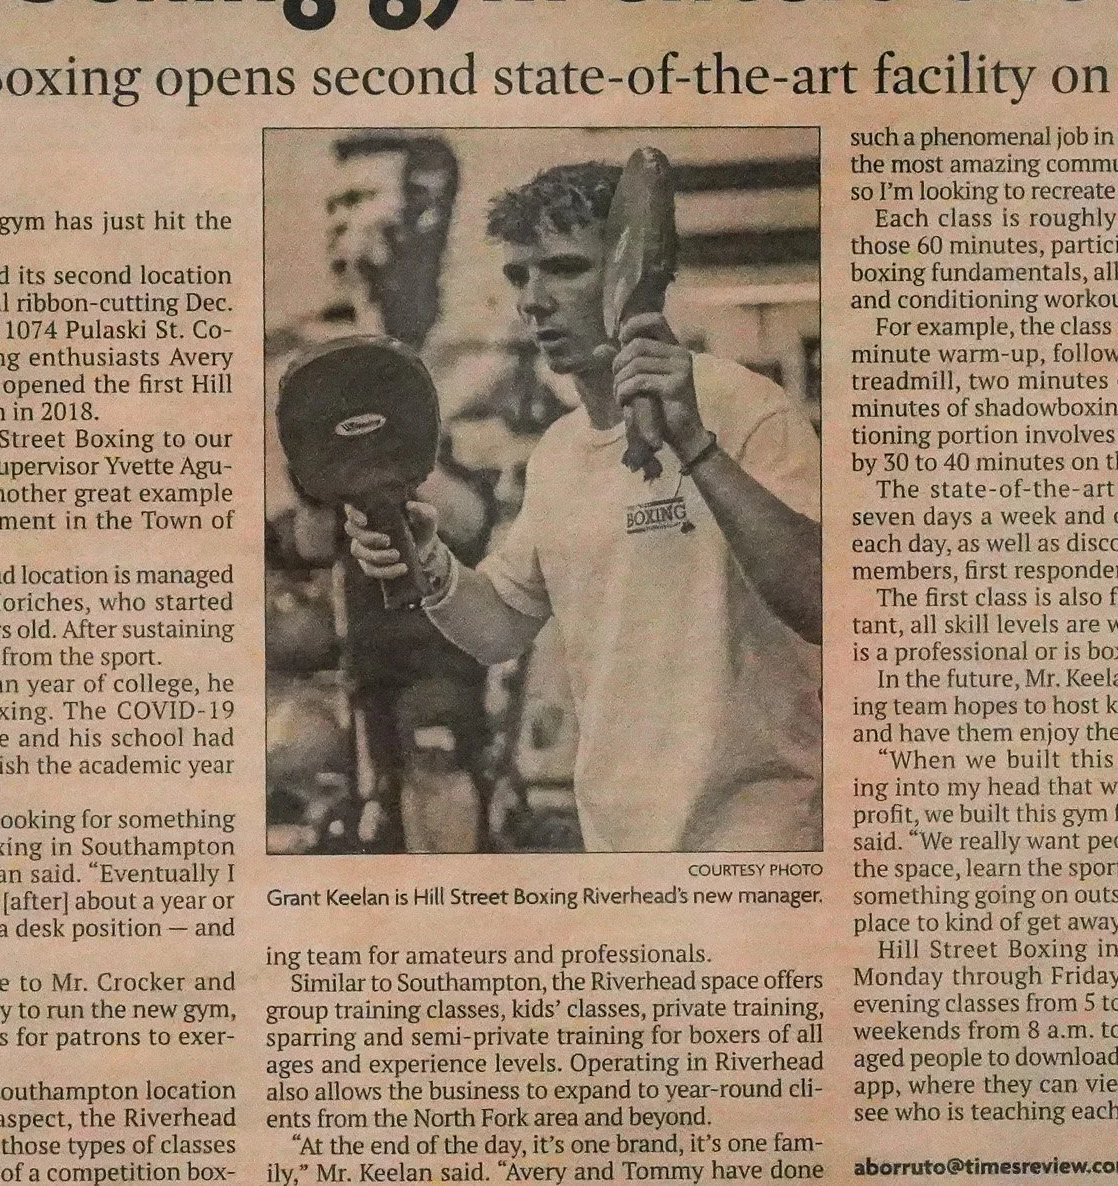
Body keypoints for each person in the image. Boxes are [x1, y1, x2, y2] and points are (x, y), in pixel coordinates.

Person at [346, 161, 822, 852]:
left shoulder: (747, 407)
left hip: (755, 840)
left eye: (565, 268)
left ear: (632, 275)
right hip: (617, 842)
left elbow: (823, 600)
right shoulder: (561, 452)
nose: (533, 301)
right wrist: (428, 560)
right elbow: (501, 627)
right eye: (519, 275)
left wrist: (695, 446)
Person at [266, 132, 495, 853]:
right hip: (352, 650)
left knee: (438, 763)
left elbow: (480, 519)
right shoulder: (300, 356)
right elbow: (302, 538)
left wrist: (374, 450)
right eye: (333, 203)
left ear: (426, 208)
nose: (339, 222)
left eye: (360, 199)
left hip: (469, 641)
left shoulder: (491, 350)